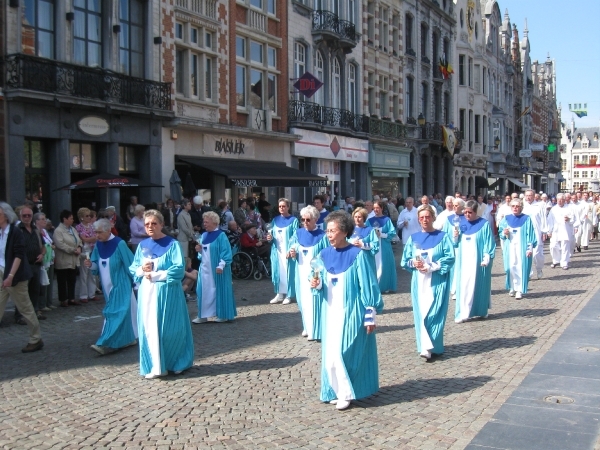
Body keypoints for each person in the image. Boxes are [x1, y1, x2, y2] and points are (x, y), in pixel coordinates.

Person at [310, 211, 383, 411]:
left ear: (344, 232)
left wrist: (370, 315)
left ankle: (346, 392)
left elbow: (368, 286)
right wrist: (315, 284)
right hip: (330, 312)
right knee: (331, 353)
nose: (328, 234)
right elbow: (315, 279)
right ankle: (336, 390)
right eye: (327, 231)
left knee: (345, 351)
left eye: (332, 231)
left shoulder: (358, 255)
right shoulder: (323, 255)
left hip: (351, 312)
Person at [129, 210, 194, 379]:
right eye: (147, 224)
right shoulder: (142, 246)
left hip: (167, 293)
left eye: (153, 223)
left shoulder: (172, 245)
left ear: (161, 224)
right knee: (149, 329)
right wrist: (142, 270)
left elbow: (178, 269)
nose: (150, 227)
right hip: (147, 294)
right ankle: (154, 365)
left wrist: (157, 275)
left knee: (170, 329)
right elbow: (133, 268)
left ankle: (177, 362)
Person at [401, 204, 454, 359]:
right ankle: (424, 347)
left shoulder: (443, 237)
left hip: (437, 280)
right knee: (421, 312)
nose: (425, 220)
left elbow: (449, 258)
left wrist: (432, 266)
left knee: (434, 312)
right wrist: (414, 263)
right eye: (422, 217)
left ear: (433, 218)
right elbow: (405, 260)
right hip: (419, 281)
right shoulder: (413, 238)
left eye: (427, 217)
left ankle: (434, 344)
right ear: (418, 219)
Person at [84, 219, 137, 355]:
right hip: (107, 287)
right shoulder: (98, 245)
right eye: (95, 232)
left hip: (121, 284)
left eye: (99, 232)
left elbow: (130, 263)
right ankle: (128, 338)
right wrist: (91, 265)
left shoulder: (119, 244)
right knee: (122, 314)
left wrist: (136, 283)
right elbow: (97, 265)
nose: (97, 235)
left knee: (115, 313)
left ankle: (104, 342)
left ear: (108, 230)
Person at [0, 202, 44, 353]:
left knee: (25, 308)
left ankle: (35, 338)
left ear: (5, 216)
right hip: (2, 271)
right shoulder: (1, 232)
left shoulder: (15, 232)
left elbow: (19, 255)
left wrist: (10, 276)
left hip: (16, 274)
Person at [288, 206, 329, 341]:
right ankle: (306, 325)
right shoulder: (298, 233)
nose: (305, 222)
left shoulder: (322, 236)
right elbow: (292, 247)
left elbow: (326, 255)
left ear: (316, 219)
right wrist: (292, 252)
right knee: (303, 301)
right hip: (300, 273)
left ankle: (316, 329)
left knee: (314, 300)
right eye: (303, 219)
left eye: (308, 219)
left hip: (315, 275)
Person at [453, 200, 496, 321]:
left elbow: (489, 242)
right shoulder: (461, 224)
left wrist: (487, 256)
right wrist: (455, 236)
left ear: (475, 212)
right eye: (465, 212)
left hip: (478, 260)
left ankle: (480, 310)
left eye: (470, 212)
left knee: (479, 284)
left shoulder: (484, 224)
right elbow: (455, 244)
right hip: (464, 261)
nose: (467, 215)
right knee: (464, 285)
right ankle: (463, 312)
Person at [192, 211, 236, 324]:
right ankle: (203, 315)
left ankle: (223, 314)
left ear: (214, 223)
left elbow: (226, 252)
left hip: (217, 268)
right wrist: (200, 250)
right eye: (204, 222)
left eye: (206, 222)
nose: (204, 224)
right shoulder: (204, 235)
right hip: (205, 268)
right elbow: (203, 253)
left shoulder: (221, 235)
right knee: (204, 291)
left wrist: (221, 265)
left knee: (219, 290)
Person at [498, 199, 537, 299]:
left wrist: (529, 248)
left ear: (521, 207)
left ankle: (519, 289)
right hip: (510, 246)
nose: (515, 208)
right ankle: (512, 286)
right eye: (513, 206)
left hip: (522, 247)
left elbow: (530, 235)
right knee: (510, 267)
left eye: (517, 206)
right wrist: (504, 233)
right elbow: (501, 231)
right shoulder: (506, 219)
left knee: (520, 267)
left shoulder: (526, 219)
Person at [15, 206, 45, 323]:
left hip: (35, 264)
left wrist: (42, 254)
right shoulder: (17, 230)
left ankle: (34, 312)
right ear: (20, 216)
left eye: (29, 215)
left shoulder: (36, 229)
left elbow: (43, 246)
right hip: (22, 265)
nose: (27, 218)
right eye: (24, 216)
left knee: (34, 290)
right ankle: (19, 316)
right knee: (22, 292)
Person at [267, 198, 298, 305]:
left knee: (288, 272)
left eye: (284, 206)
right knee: (277, 272)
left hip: (287, 251)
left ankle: (289, 294)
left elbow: (295, 236)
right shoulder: (275, 220)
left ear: (288, 207)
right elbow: (271, 233)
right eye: (280, 206)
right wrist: (269, 238)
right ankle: (279, 293)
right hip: (277, 251)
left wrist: (291, 249)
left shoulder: (294, 220)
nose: (281, 208)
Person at [53, 210, 83, 307]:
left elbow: (79, 240)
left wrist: (79, 247)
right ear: (64, 219)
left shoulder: (73, 229)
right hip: (63, 258)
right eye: (70, 218)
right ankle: (63, 299)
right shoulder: (58, 231)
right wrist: (73, 250)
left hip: (74, 259)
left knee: (72, 279)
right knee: (62, 280)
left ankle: (71, 298)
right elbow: (60, 244)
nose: (72, 220)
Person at [368, 200, 397, 293]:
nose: (376, 210)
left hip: (384, 246)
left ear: (382, 208)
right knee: (374, 265)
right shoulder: (370, 220)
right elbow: (366, 232)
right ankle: (374, 286)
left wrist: (382, 235)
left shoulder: (387, 220)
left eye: (378, 208)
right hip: (373, 246)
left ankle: (384, 286)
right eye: (374, 208)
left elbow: (392, 233)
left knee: (385, 265)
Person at [547, 193, 578, 270]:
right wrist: (549, 231)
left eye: (561, 200)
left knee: (565, 247)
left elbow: (574, 219)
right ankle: (556, 260)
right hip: (555, 230)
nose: (560, 201)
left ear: (564, 200)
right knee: (553, 246)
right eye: (558, 200)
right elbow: (550, 221)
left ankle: (564, 262)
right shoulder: (553, 209)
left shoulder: (569, 208)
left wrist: (569, 219)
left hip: (565, 229)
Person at [522, 190, 548, 280]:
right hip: (525, 232)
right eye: (527, 195)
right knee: (527, 252)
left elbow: (543, 219)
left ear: (534, 196)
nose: (528, 197)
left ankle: (539, 269)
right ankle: (529, 272)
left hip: (537, 231)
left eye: (530, 195)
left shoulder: (539, 206)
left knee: (537, 253)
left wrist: (544, 232)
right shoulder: (522, 206)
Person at [75, 207, 98, 303]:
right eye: (87, 216)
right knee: (84, 274)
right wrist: (91, 238)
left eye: (89, 215)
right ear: (81, 217)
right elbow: (83, 239)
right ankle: (83, 295)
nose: (89, 217)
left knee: (92, 273)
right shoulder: (78, 227)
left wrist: (90, 239)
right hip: (84, 251)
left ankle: (91, 293)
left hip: (92, 250)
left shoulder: (92, 226)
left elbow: (96, 237)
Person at [35, 212, 55, 311]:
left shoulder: (44, 231)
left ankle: (48, 302)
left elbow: (49, 242)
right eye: (42, 219)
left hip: (49, 258)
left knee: (48, 281)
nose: (45, 221)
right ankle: (41, 305)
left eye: (45, 218)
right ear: (36, 221)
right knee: (41, 282)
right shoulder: (35, 231)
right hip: (41, 259)